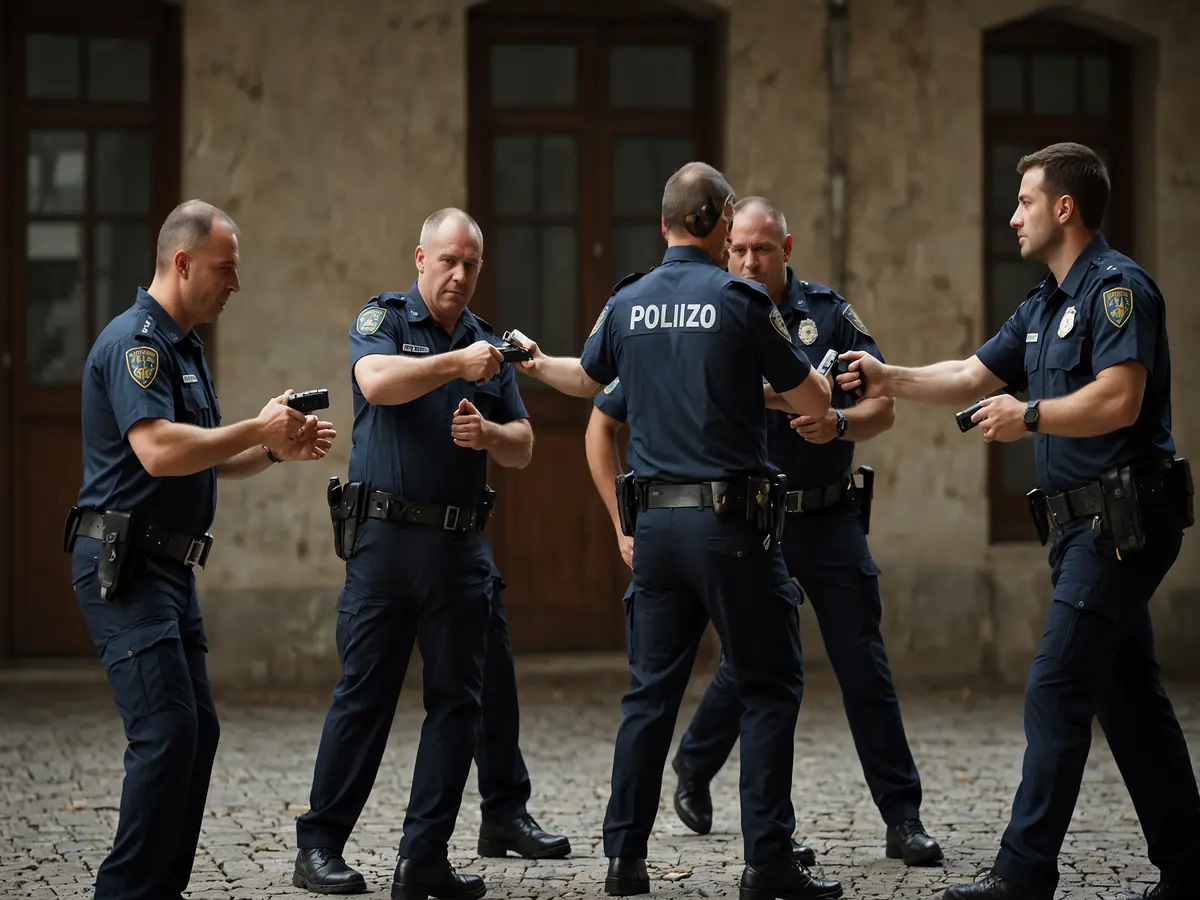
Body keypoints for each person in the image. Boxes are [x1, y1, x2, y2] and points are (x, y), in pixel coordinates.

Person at [837, 142, 1200, 900]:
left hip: (1121, 525)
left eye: (1025, 201)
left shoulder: (1116, 290)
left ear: (1064, 208)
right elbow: (970, 375)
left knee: (1055, 686)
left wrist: (1029, 414)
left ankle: (1024, 872)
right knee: (1128, 694)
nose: (1013, 217)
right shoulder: (1042, 305)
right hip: (1080, 530)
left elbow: (1120, 398)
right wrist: (887, 376)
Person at [586, 195, 944, 870]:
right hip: (746, 523)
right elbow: (607, 403)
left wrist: (840, 424)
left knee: (861, 665)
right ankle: (704, 773)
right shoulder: (714, 314)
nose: (750, 261)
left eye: (763, 250)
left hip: (825, 517)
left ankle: (903, 817)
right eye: (740, 249)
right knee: (753, 670)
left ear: (787, 250)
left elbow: (881, 406)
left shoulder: (827, 315)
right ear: (724, 246)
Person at [518, 162, 843, 900]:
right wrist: (814, 388)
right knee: (770, 684)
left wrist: (533, 364)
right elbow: (810, 400)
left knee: (649, 696)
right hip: (731, 528)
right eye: (729, 221)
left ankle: (624, 859)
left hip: (656, 531)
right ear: (718, 219)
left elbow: (585, 380)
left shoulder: (627, 302)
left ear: (664, 222)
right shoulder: (740, 300)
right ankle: (768, 862)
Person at [64, 199, 337, 900]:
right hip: (125, 564)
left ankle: (161, 888)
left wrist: (272, 450)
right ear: (183, 263)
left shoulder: (184, 348)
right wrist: (255, 427)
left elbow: (205, 456)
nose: (235, 285)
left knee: (196, 732)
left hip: (167, 567)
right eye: (226, 269)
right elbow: (159, 451)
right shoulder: (138, 345)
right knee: (165, 731)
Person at [293, 208, 568, 900]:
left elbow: (524, 444)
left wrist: (490, 437)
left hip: (457, 545)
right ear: (421, 259)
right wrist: (453, 365)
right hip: (385, 541)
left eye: (471, 264)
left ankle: (424, 858)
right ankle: (319, 845)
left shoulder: (489, 345)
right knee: (365, 696)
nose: (459, 275)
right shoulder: (384, 320)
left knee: (458, 704)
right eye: (447, 260)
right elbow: (374, 382)